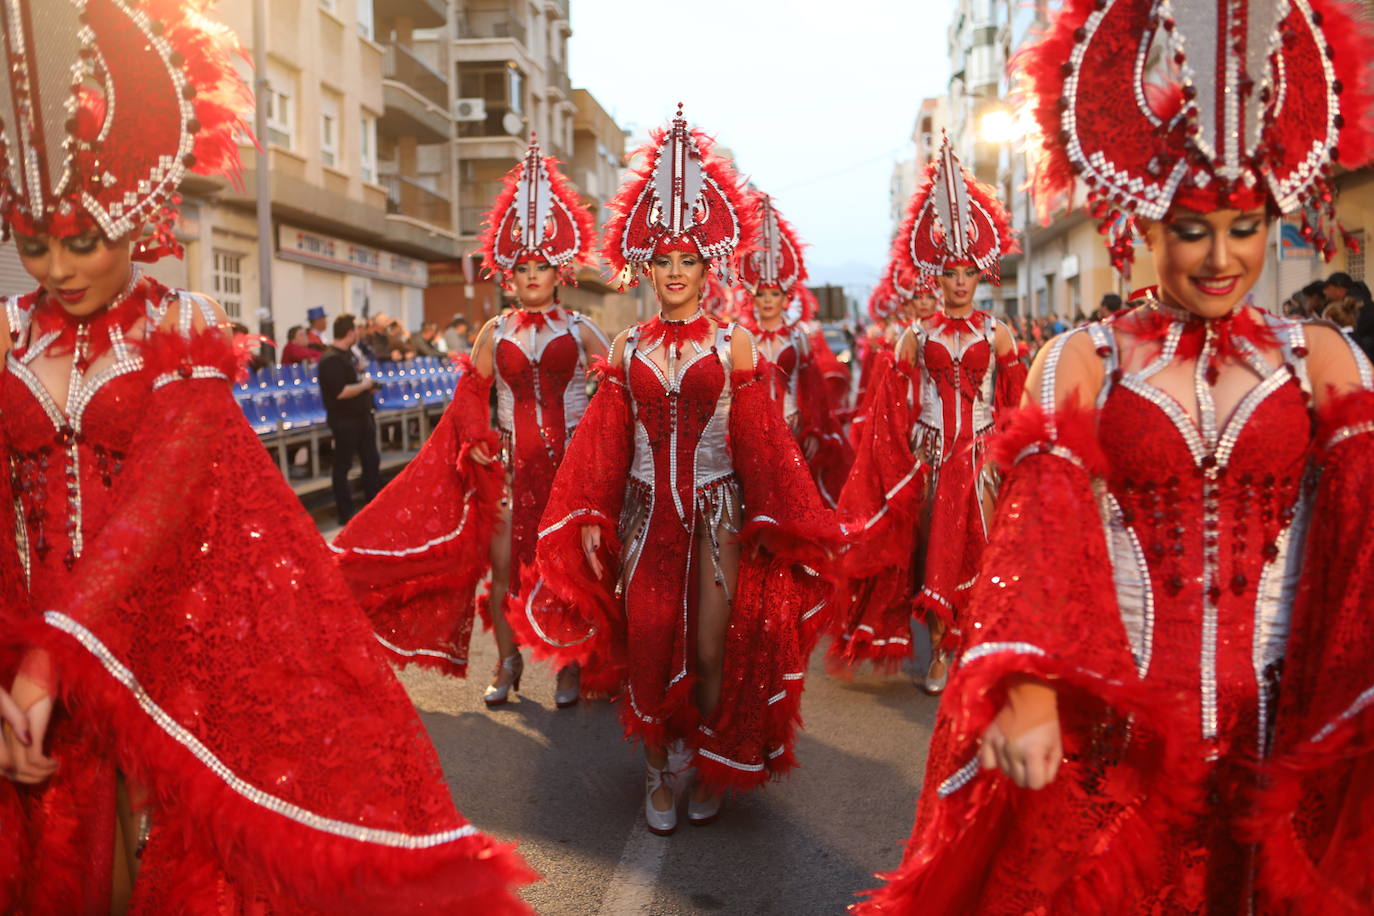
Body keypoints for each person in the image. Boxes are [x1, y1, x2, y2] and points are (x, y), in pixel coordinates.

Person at [0, 1, 532, 910]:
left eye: (81, 240)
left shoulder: (184, 330)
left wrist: (58, 654)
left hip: (158, 654)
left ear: (142, 217)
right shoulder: (6, 335)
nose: (55, 267)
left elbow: (155, 509)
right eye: (32, 241)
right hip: (21, 658)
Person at [857, 1, 1374, 911]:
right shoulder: (1083, 358)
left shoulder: (1321, 356)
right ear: (1143, 221)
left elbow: (1365, 532)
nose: (1222, 257)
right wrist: (1023, 682)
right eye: (1192, 228)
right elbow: (1039, 536)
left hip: (1276, 731)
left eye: (1245, 227)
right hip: (1120, 732)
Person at [523, 108, 838, 834]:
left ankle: (707, 757)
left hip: (719, 511)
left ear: (707, 266)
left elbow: (762, 445)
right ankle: (660, 770)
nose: (672, 273)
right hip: (643, 515)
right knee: (650, 638)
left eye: (686, 261)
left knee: (710, 647)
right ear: (644, 266)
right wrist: (589, 517)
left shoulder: (736, 348)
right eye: (661, 261)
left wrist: (774, 521)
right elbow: (601, 445)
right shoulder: (627, 346)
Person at [333, 137, 608, 711]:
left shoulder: (582, 330)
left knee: (568, 572)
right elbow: (468, 398)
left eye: (542, 266)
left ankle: (568, 665)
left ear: (559, 271)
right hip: (509, 471)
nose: (532, 275)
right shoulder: (494, 334)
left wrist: (602, 451)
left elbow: (616, 392)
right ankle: (508, 665)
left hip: (568, 474)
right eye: (522, 266)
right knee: (503, 571)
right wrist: (476, 442)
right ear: (507, 274)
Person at [832, 134, 1023, 684]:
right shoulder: (914, 336)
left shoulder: (1001, 334)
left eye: (967, 273)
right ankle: (941, 649)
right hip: (933, 456)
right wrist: (891, 467)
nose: (959, 283)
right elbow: (888, 410)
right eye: (949, 274)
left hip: (983, 458)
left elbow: (1013, 407)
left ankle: (975, 647)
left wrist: (1007, 461)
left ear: (980, 275)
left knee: (983, 554)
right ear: (934, 277)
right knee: (931, 554)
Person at [736, 192, 852, 510]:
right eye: (762, 293)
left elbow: (813, 390)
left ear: (787, 297)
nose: (769, 300)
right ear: (753, 298)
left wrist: (813, 429)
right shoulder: (742, 339)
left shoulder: (799, 339)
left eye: (775, 293)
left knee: (795, 504)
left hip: (794, 432)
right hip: (753, 436)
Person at [319, 314, 383, 523]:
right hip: (344, 421)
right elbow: (340, 392)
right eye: (355, 330)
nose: (357, 334)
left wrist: (368, 388)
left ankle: (374, 507)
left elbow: (356, 381)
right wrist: (363, 387)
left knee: (371, 461)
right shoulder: (331, 359)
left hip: (363, 417)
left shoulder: (349, 355)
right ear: (349, 333)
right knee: (343, 466)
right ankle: (345, 513)